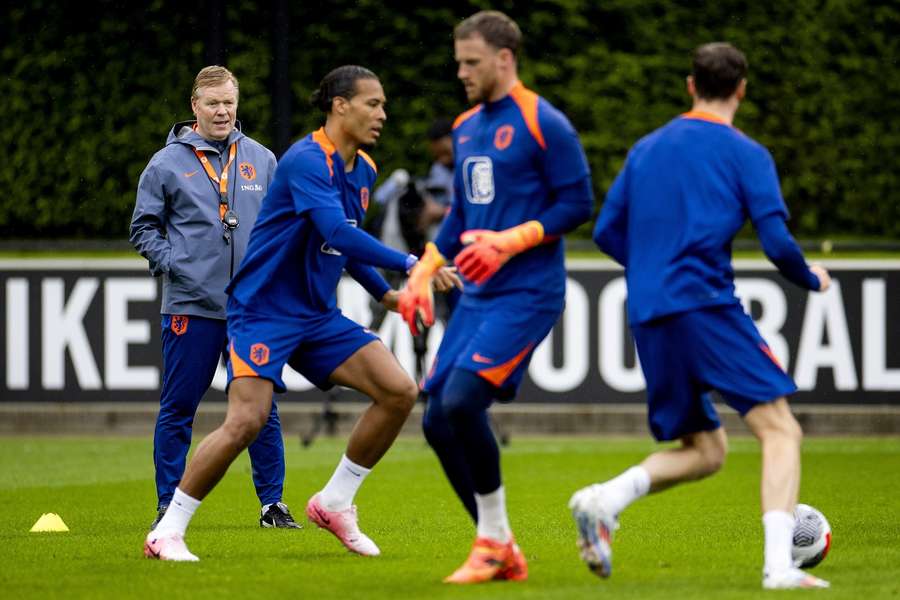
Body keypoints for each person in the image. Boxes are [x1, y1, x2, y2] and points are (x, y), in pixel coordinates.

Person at [144, 64, 459, 561]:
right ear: (340, 106)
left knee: (398, 391)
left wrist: (387, 295)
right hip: (262, 309)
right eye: (372, 103)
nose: (383, 113)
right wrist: (410, 263)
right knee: (246, 419)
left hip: (315, 314)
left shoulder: (364, 169)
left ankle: (335, 500)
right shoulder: (306, 160)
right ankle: (169, 528)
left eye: (382, 104)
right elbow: (337, 231)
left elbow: (345, 244)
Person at [569, 43, 831, 590]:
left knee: (705, 451)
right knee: (781, 429)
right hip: (705, 304)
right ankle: (779, 568)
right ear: (741, 89)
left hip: (650, 313)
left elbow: (604, 232)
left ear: (691, 85)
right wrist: (812, 277)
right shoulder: (746, 153)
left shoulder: (647, 149)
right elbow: (779, 243)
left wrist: (651, 269)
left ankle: (604, 500)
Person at [398, 10, 593, 584]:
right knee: (436, 421)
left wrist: (512, 240)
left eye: (472, 62)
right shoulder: (464, 127)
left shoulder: (544, 122)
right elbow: (461, 214)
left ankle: (491, 544)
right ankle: (499, 543)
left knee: (460, 405)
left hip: (529, 292)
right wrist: (424, 268)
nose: (461, 71)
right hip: (479, 295)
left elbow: (577, 204)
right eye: (459, 61)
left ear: (504, 60)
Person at [130, 65, 300, 531]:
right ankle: (168, 504)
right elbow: (142, 228)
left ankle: (272, 504)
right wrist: (175, 264)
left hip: (250, 309)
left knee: (261, 409)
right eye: (213, 103)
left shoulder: (262, 159)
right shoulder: (165, 164)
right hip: (191, 307)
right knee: (179, 407)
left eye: (229, 102)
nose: (223, 111)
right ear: (195, 107)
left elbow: (282, 225)